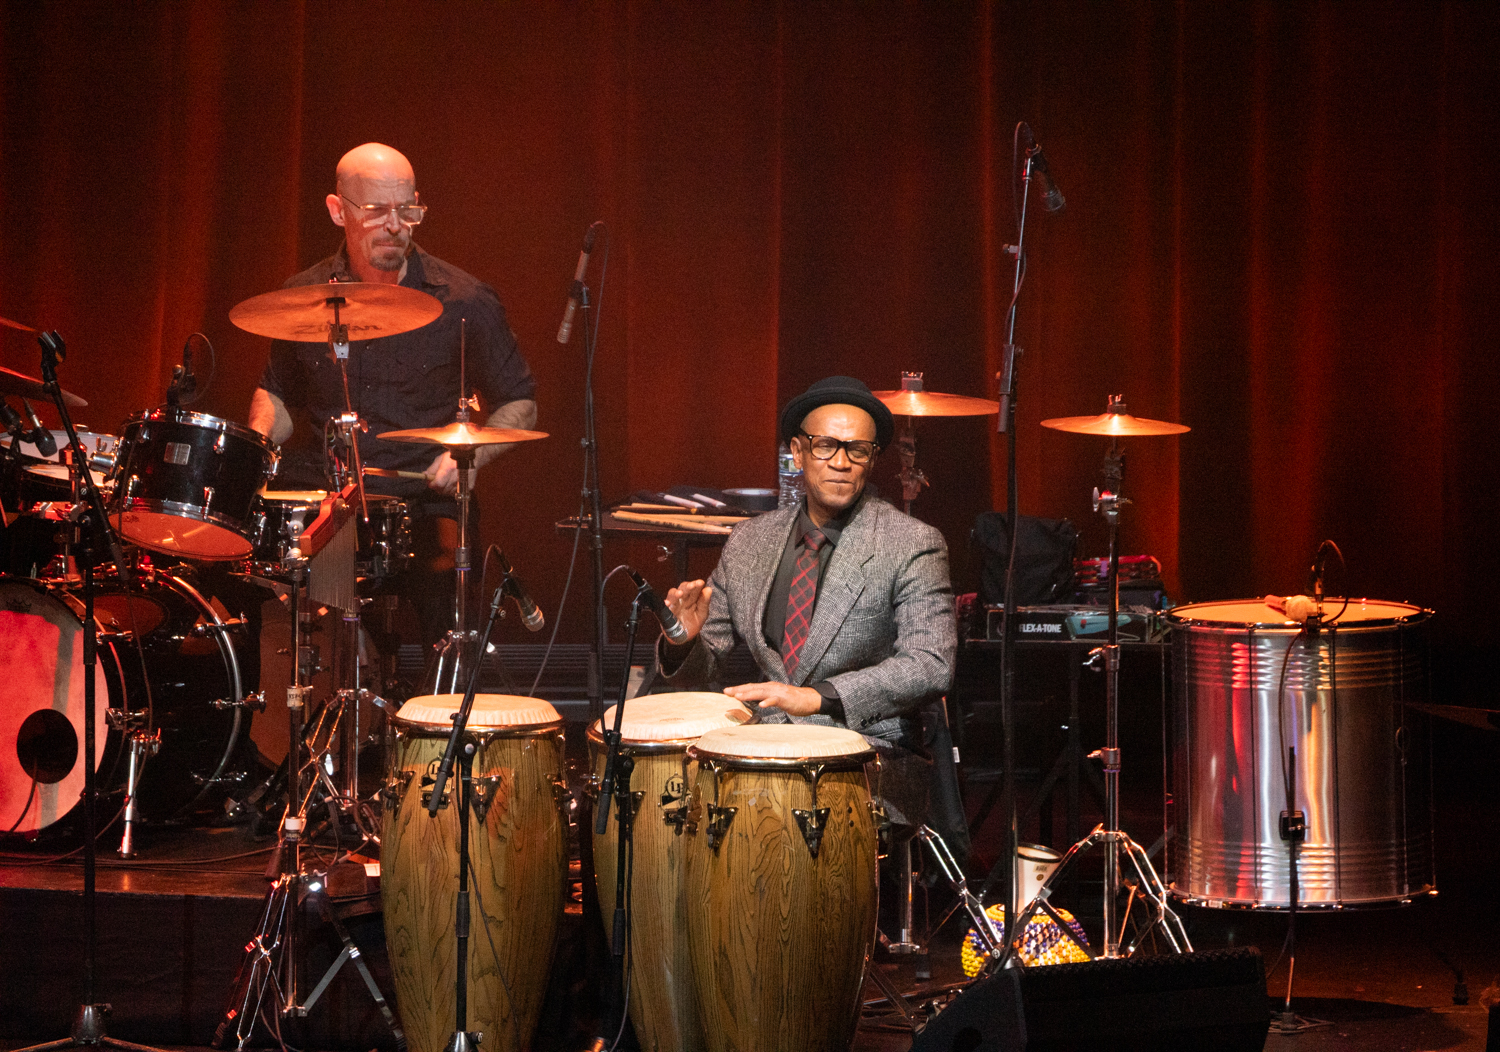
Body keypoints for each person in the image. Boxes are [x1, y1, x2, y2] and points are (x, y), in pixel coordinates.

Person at [248, 143, 536, 644]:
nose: (395, 225)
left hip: (427, 505)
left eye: (407, 210)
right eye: (377, 210)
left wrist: (468, 458)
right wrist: (253, 449)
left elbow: (520, 402)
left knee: (448, 644)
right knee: (299, 625)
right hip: (333, 509)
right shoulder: (305, 296)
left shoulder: (464, 300)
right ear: (338, 211)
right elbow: (278, 394)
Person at [658, 375, 956, 825]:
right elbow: (703, 672)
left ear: (873, 459)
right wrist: (683, 642)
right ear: (797, 453)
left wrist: (817, 698)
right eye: (825, 446)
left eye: (857, 450)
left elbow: (931, 663)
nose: (841, 462)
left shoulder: (911, 543)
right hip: (760, 754)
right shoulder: (749, 542)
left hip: (868, 760)